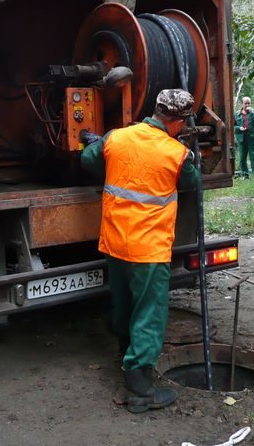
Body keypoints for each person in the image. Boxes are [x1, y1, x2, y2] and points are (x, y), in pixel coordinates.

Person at [80, 88, 200, 413]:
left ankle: (125, 359)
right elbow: (192, 182)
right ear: (178, 121)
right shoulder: (176, 153)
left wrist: (102, 149)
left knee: (123, 306)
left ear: (156, 110)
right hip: (149, 250)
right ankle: (141, 392)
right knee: (149, 313)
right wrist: (189, 154)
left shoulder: (117, 138)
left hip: (116, 242)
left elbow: (87, 160)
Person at [234, 96, 254, 179]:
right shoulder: (237, 114)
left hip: (251, 138)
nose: (247, 105)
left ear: (250, 104)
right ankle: (244, 174)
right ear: (242, 104)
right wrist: (239, 128)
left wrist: (252, 113)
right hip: (241, 139)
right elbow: (232, 126)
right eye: (245, 103)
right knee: (242, 158)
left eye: (248, 103)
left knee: (253, 157)